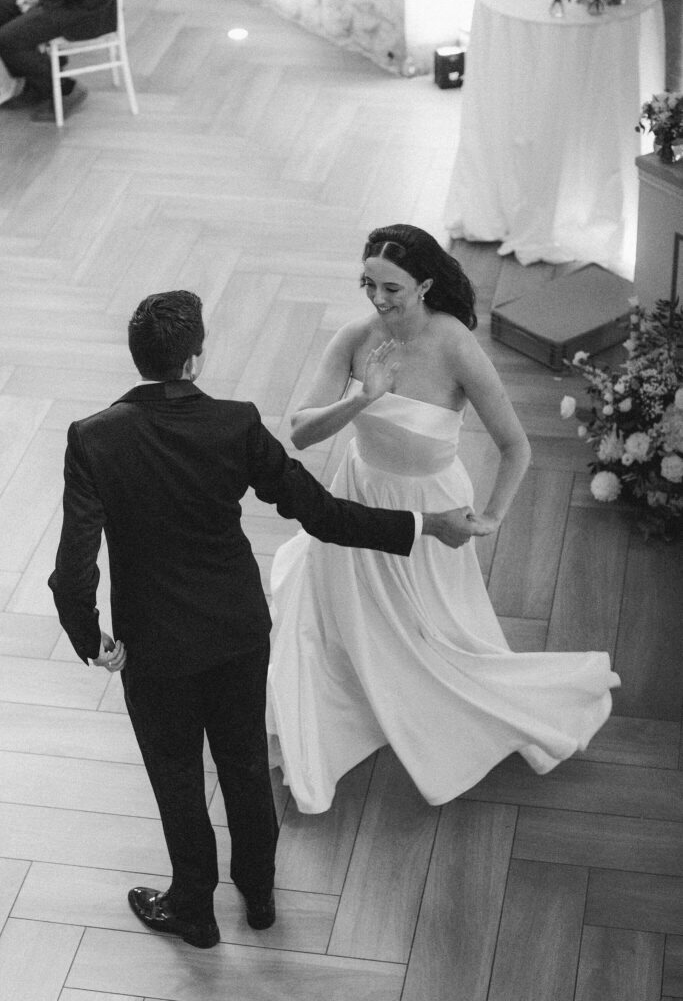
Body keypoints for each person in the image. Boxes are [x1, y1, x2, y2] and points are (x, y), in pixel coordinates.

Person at [48, 289, 490, 949]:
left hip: (156, 645)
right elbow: (323, 515)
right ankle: (258, 897)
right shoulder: (235, 424)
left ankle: (193, 908)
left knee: (176, 778)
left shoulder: (93, 438)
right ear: (194, 361)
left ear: (140, 359)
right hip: (236, 631)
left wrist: (93, 640)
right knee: (245, 768)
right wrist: (427, 524)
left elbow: (71, 569)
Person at [266, 223, 621, 815]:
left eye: (393, 288)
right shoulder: (355, 338)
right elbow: (301, 433)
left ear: (426, 284)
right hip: (357, 497)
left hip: (432, 510)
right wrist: (361, 397)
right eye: (369, 284)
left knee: (433, 633)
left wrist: (492, 517)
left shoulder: (455, 345)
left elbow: (516, 446)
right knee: (331, 628)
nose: (378, 299)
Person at [0, 0, 117, 121]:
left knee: (7, 40)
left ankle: (64, 89)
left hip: (83, 5)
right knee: (2, 8)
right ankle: (38, 85)